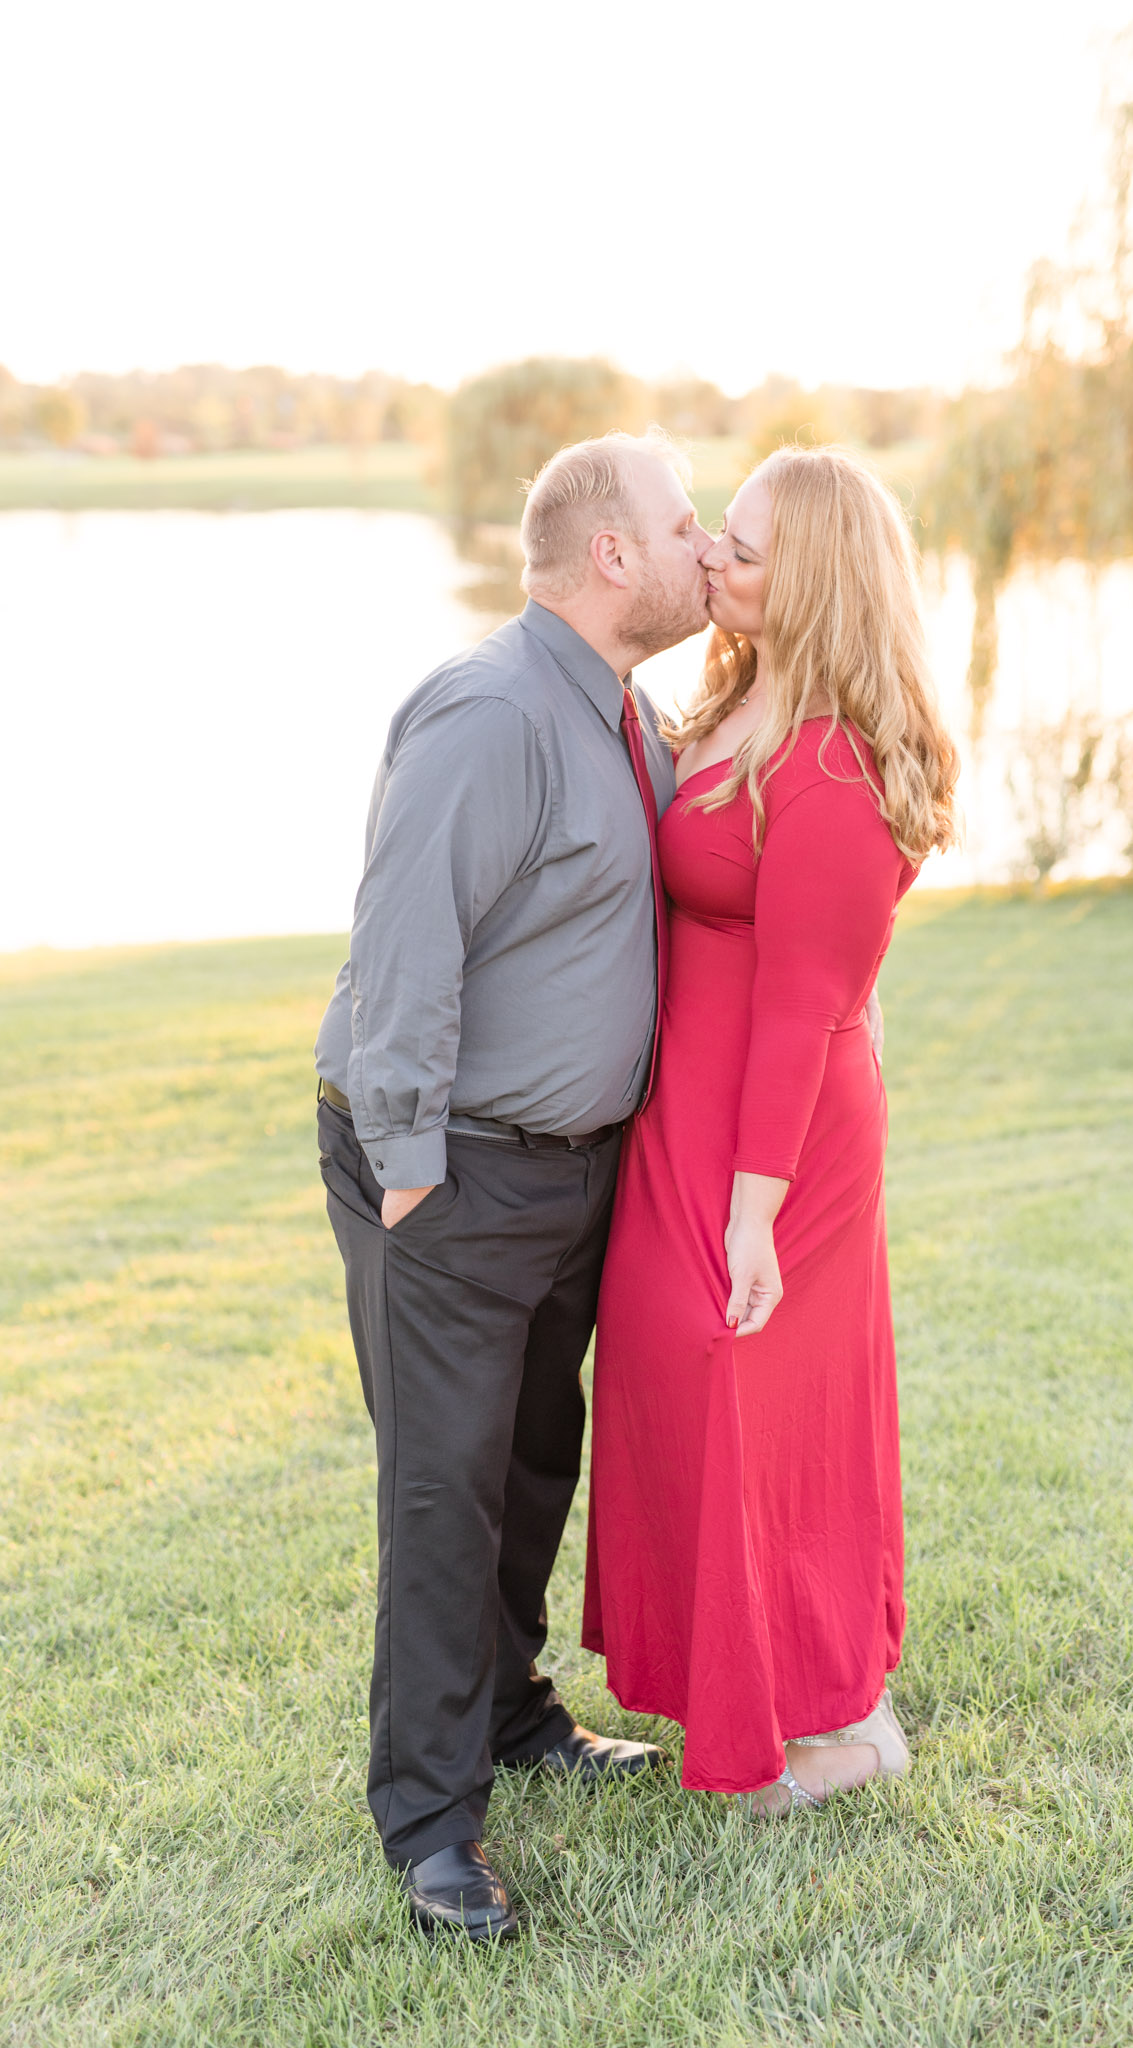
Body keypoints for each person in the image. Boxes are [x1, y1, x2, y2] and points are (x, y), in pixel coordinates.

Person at [314, 430, 712, 1940]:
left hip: (568, 1180)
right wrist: (413, 1176)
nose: (704, 547)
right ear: (613, 554)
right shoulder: (490, 714)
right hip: (454, 1176)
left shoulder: (623, 712)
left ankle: (511, 1709)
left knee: (538, 1452)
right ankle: (429, 1819)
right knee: (446, 1482)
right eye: (685, 526)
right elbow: (403, 941)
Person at [583, 444, 960, 1813]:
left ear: (812, 577)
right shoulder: (733, 701)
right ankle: (734, 1693)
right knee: (686, 1390)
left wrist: (754, 1210)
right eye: (715, 539)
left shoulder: (840, 766)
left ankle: (841, 1721)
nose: (715, 564)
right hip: (688, 1111)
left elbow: (805, 1005)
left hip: (779, 1137)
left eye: (739, 548)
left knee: (757, 1396)